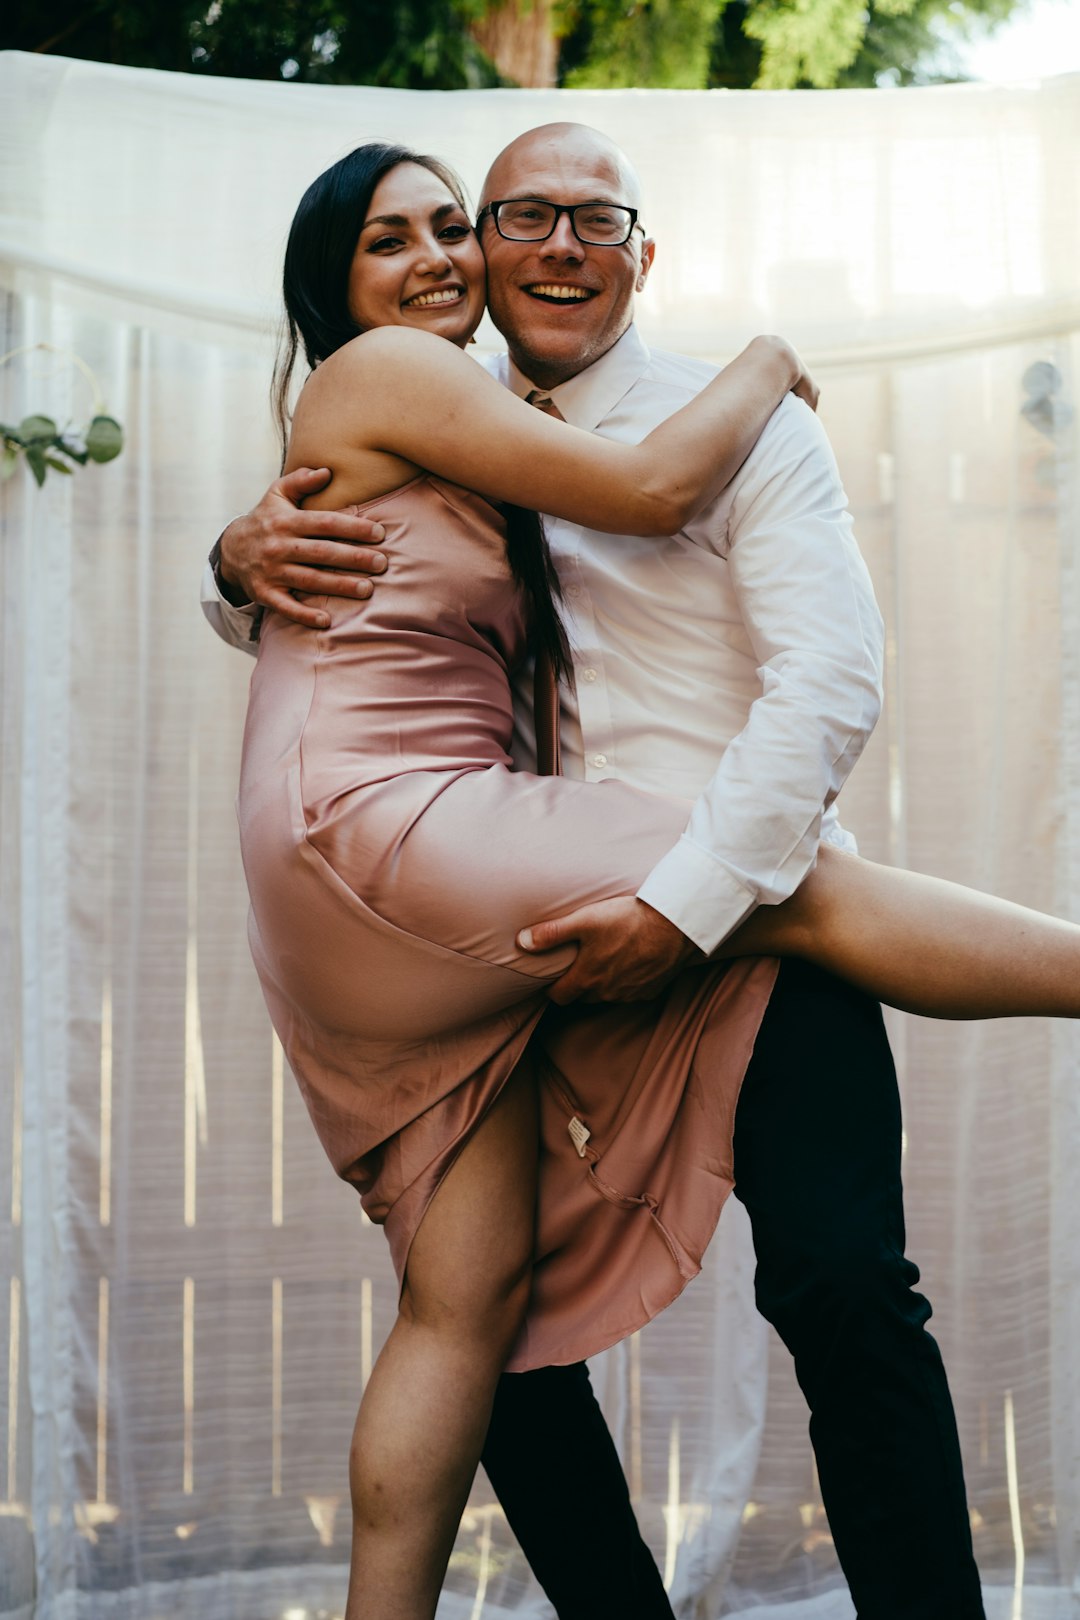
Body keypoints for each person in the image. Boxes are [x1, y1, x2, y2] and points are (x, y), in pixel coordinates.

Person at [205, 127, 1079, 1619]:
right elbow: (360, 602)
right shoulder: (436, 401)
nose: (524, 249)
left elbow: (828, 688)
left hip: (701, 911)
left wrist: (686, 907)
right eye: (497, 219)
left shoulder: (672, 425)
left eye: (587, 220)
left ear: (639, 250)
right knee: (520, 1341)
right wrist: (232, 562)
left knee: (813, 1296)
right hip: (492, 895)